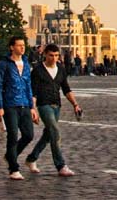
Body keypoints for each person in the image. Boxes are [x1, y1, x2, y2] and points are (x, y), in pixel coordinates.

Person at [25, 44, 79, 177]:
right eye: (51, 55)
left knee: (48, 135)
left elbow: (66, 88)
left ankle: (32, 158)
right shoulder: (38, 70)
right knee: (55, 131)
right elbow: (34, 92)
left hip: (57, 105)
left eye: (56, 56)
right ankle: (60, 165)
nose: (53, 58)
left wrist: (75, 104)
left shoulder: (61, 69)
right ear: (45, 55)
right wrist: (33, 109)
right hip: (44, 105)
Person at [0, 36, 39, 180]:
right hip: (10, 104)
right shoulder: (4, 64)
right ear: (11, 47)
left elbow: (28, 85)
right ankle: (14, 168)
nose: (22, 48)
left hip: (24, 104)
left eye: (23, 45)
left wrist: (32, 107)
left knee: (28, 135)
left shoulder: (26, 63)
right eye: (19, 45)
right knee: (12, 135)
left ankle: (10, 156)